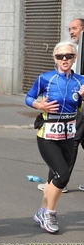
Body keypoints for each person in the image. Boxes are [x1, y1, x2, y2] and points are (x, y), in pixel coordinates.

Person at [25, 40, 84, 233]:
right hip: (48, 135)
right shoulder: (45, 78)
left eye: (68, 56)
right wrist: (39, 105)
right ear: (55, 58)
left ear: (74, 58)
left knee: (53, 177)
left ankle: (41, 211)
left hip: (68, 135)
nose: (64, 59)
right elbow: (29, 97)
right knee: (63, 176)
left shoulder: (81, 81)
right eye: (60, 56)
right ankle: (50, 213)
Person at [37, 18, 84, 193]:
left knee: (70, 142)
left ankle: (59, 181)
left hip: (76, 106)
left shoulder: (79, 50)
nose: (71, 32)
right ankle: (58, 179)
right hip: (75, 104)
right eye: (69, 28)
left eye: (75, 28)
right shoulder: (72, 48)